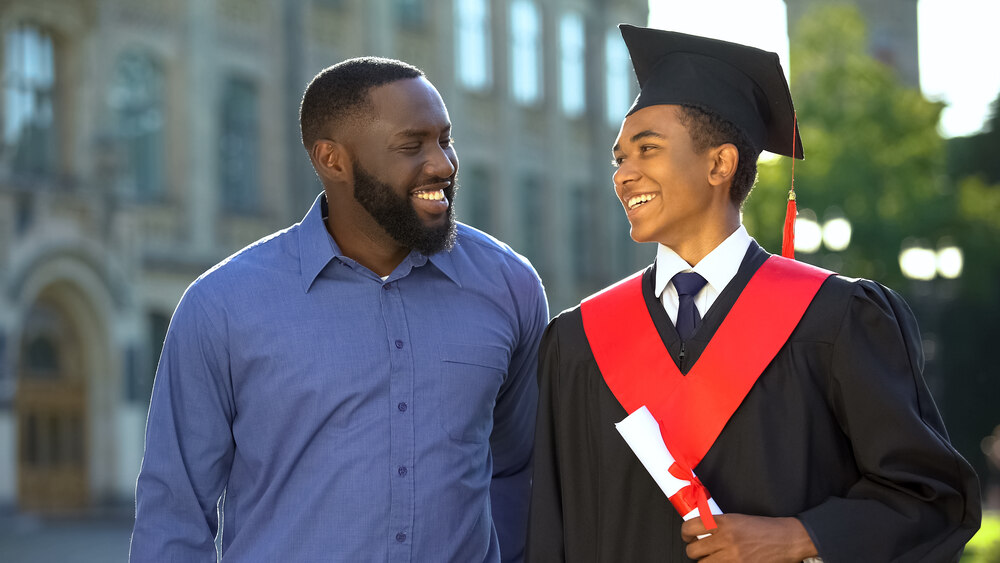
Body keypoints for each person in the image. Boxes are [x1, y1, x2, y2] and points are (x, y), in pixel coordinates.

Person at [525, 24, 980, 563]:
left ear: (720, 164)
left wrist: (800, 537)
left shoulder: (833, 320)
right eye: (620, 158)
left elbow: (931, 499)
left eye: (647, 150)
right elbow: (551, 530)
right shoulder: (579, 340)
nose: (624, 174)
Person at [130, 57, 548, 562]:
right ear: (333, 160)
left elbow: (521, 469)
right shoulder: (221, 306)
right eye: (411, 145)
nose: (442, 164)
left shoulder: (510, 286)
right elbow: (174, 513)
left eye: (445, 139)